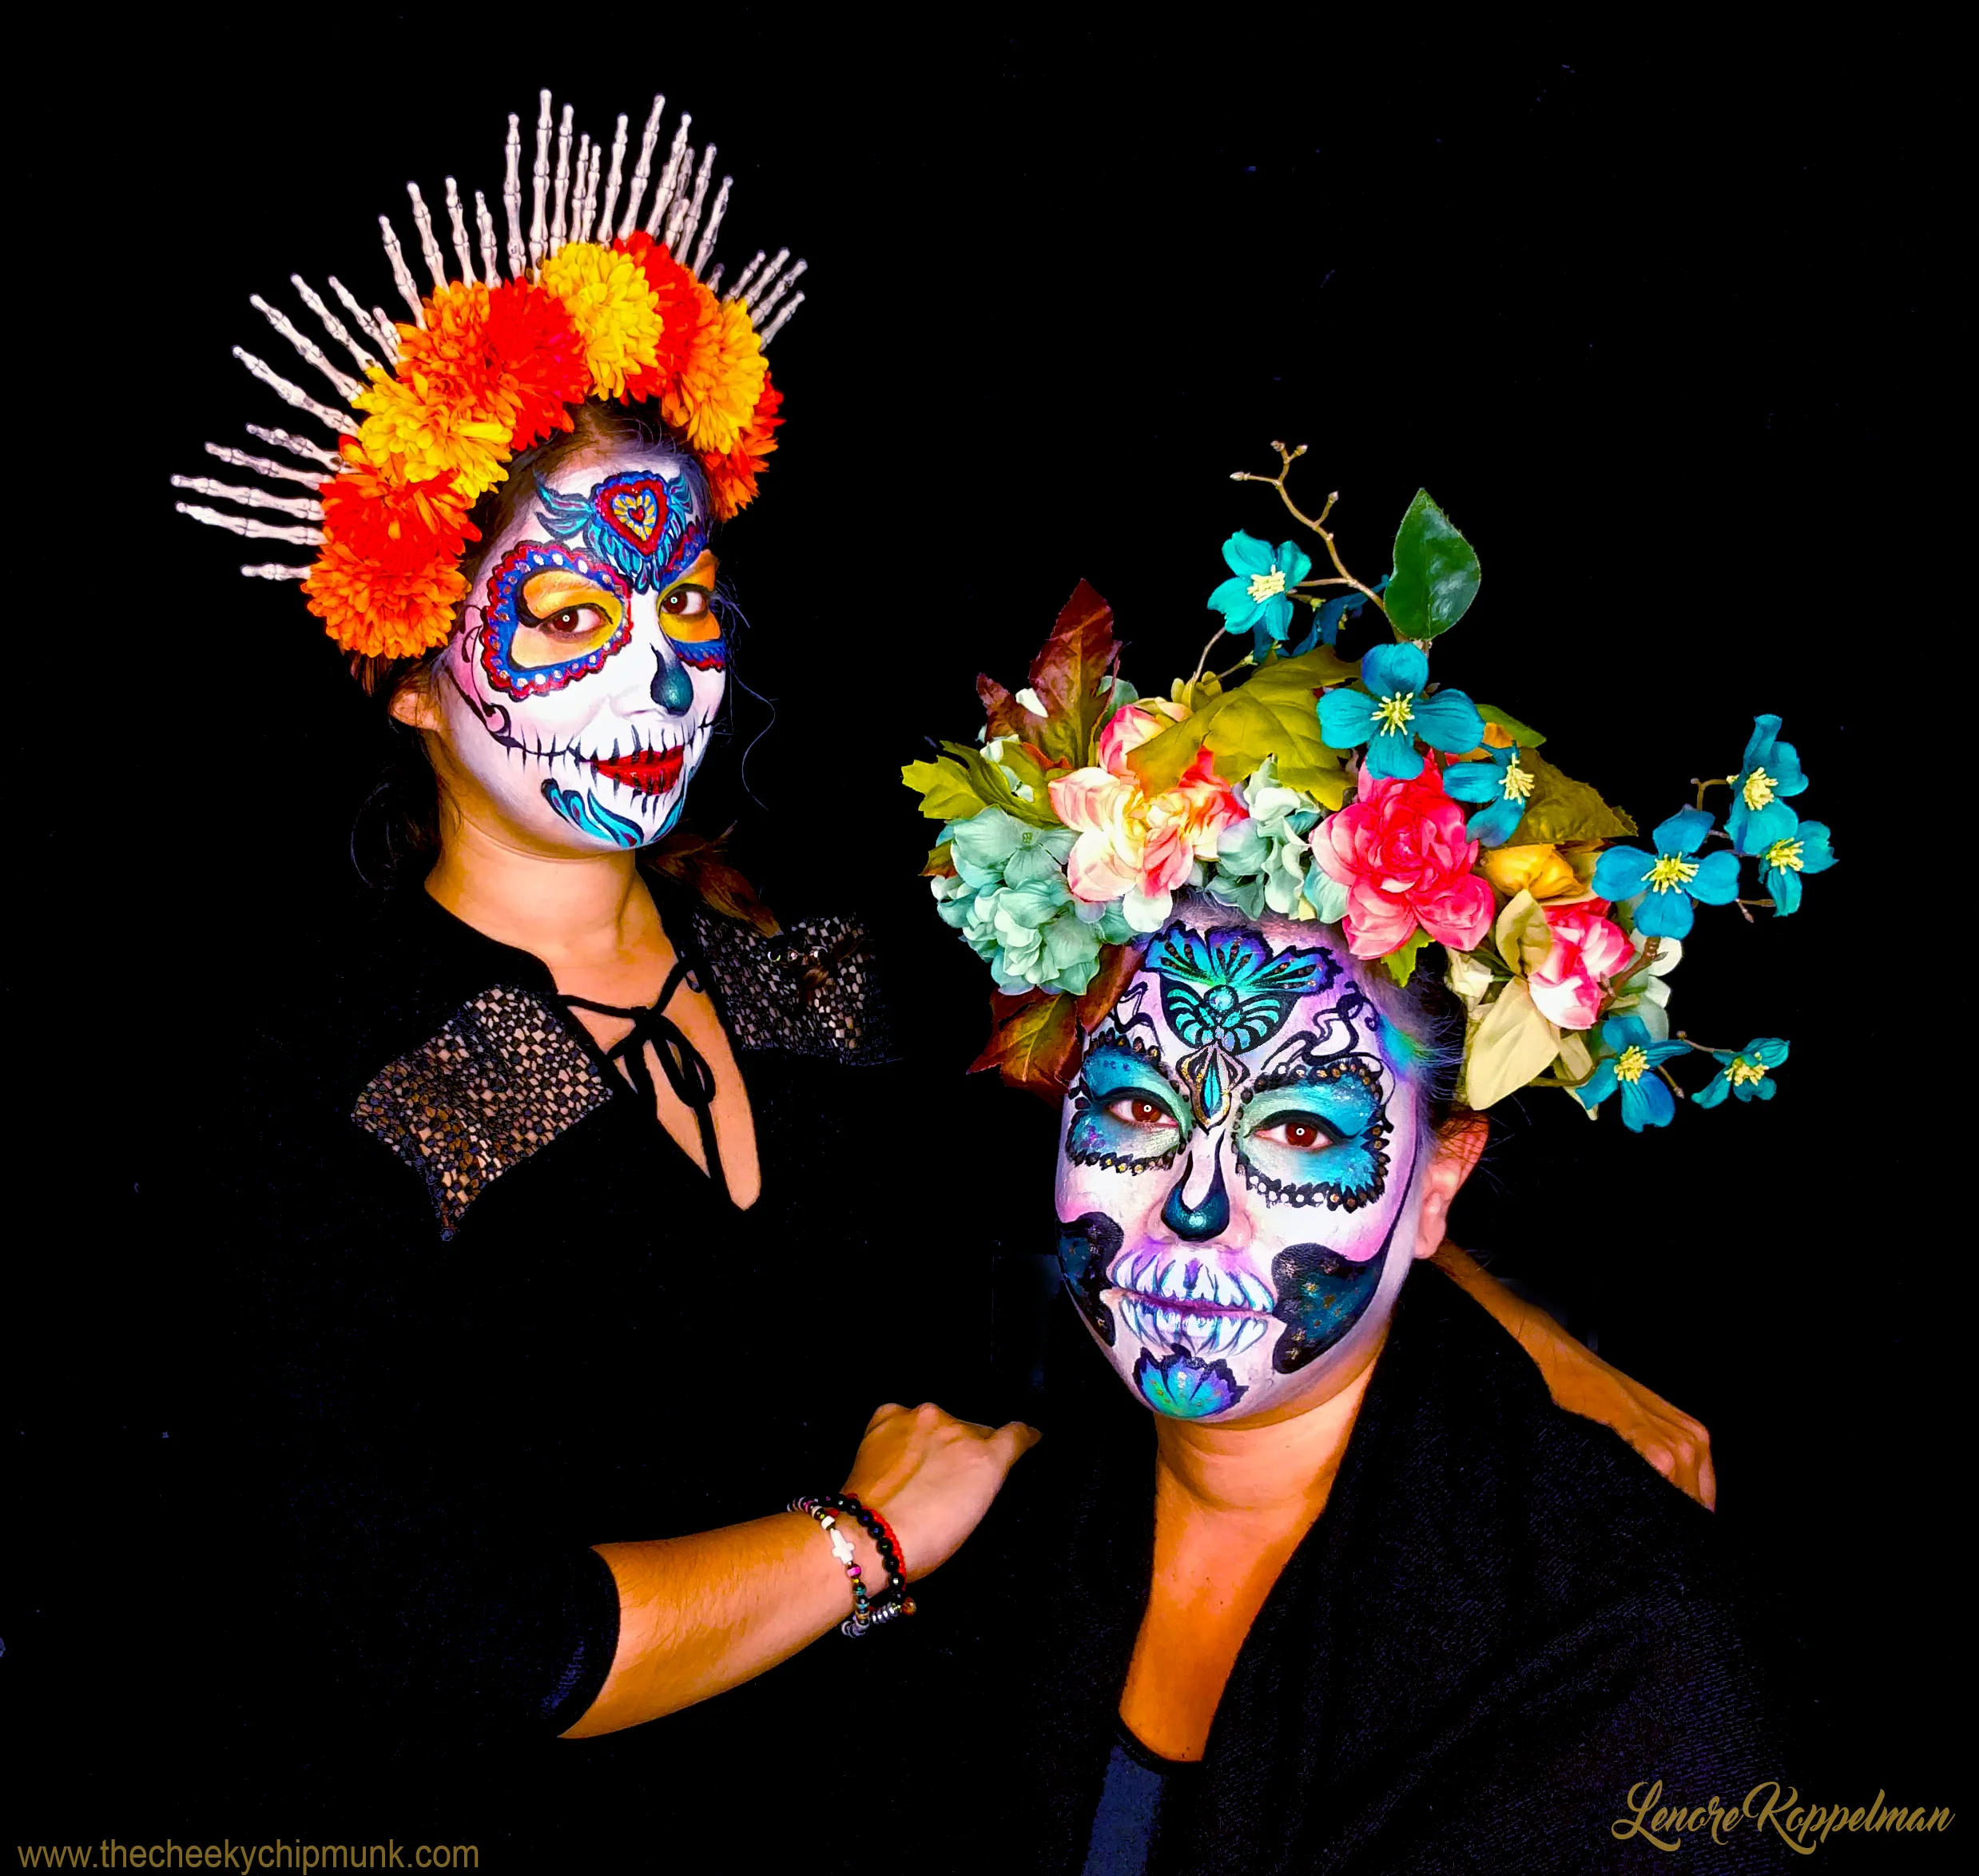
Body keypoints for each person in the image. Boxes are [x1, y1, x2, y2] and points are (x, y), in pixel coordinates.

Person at [908, 480, 1821, 1869]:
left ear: (1439, 1186)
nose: (1191, 1206)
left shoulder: (1613, 1636)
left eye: (1298, 1131)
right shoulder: (1009, 1537)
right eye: (1139, 1107)